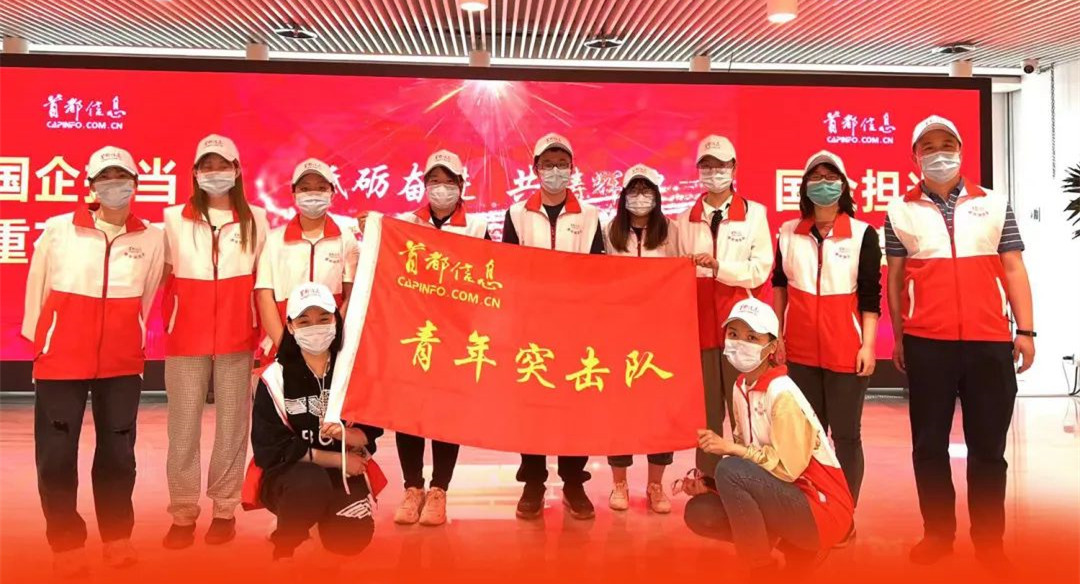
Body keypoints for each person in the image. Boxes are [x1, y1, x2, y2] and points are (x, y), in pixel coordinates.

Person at [884, 115, 1035, 568]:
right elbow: (895, 279)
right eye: (928, 146)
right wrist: (900, 336)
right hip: (928, 343)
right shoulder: (900, 210)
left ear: (962, 150)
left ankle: (989, 542)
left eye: (946, 144)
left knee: (988, 449)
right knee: (928, 446)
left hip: (989, 341)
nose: (938, 153)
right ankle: (937, 534)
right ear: (915, 156)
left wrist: (1026, 331)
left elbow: (1013, 268)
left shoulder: (994, 204)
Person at [21, 146, 165, 576]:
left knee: (119, 453)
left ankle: (117, 538)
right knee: (56, 455)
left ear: (135, 183)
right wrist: (42, 341)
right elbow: (37, 287)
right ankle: (65, 542)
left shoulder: (151, 237)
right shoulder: (59, 229)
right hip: (60, 359)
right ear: (91, 186)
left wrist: (131, 333)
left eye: (122, 176)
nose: (114, 184)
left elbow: (148, 293)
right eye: (105, 177)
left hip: (121, 363)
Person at [683, 299, 854, 574]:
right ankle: (795, 548)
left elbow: (788, 469)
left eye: (752, 337)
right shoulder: (741, 386)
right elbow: (749, 472)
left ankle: (761, 568)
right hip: (784, 497)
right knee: (700, 512)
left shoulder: (781, 393)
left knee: (729, 467)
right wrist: (709, 485)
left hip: (820, 508)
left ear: (772, 346)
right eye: (734, 334)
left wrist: (732, 450)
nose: (740, 343)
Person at [161, 134, 269, 549]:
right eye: (206, 166)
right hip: (185, 338)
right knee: (182, 428)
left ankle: (224, 509)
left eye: (222, 165)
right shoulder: (173, 219)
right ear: (194, 173)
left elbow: (264, 278)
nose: (215, 173)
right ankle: (183, 512)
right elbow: (162, 275)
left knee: (232, 426)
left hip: (238, 336)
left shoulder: (256, 219)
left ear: (237, 170)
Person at [771, 150, 881, 521]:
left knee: (846, 436)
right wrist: (778, 335)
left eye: (830, 177)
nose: (823, 184)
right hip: (799, 352)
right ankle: (812, 509)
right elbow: (780, 287)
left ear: (844, 186)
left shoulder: (863, 234)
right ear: (804, 187)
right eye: (815, 177)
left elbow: (870, 296)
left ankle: (844, 513)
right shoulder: (789, 233)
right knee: (807, 435)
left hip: (846, 351)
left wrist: (868, 345)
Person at [502, 133, 604, 520]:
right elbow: (508, 269)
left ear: (573, 169)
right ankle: (533, 482)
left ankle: (574, 482)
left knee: (574, 405)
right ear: (535, 169)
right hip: (530, 326)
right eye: (548, 164)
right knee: (532, 404)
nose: (555, 171)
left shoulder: (590, 215)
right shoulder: (516, 214)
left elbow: (598, 270)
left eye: (562, 164)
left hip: (576, 327)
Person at [247, 282, 383, 560]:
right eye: (304, 321)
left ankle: (319, 518)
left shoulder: (351, 372)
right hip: (293, 475)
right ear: (290, 326)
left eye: (323, 319)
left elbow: (370, 430)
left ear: (335, 320)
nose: (315, 328)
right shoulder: (275, 378)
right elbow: (270, 449)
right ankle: (286, 541)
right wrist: (335, 459)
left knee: (350, 538)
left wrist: (346, 435)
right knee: (311, 484)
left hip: (345, 470)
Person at [393, 149, 489, 527]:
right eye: (434, 181)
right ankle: (412, 487)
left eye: (449, 181)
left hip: (457, 335)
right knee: (409, 413)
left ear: (462, 186)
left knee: (446, 413)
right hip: (413, 333)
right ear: (424, 184)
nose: (442, 188)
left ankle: (439, 490)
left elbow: (490, 277)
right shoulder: (405, 224)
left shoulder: (478, 226)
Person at [675, 135, 773, 480]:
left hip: (742, 327)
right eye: (706, 165)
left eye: (721, 165)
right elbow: (674, 272)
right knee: (707, 411)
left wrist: (720, 268)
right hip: (699, 325)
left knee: (745, 406)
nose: (713, 171)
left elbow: (761, 268)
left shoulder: (755, 214)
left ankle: (749, 480)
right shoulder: (682, 220)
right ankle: (707, 480)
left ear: (734, 168)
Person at [602, 163, 678, 514]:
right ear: (623, 196)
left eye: (646, 190)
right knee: (620, 410)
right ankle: (619, 483)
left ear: (657, 196)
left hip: (662, 334)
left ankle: (655, 485)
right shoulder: (609, 231)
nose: (640, 196)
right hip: (619, 333)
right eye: (633, 190)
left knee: (660, 410)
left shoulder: (672, 231)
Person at [256, 158, 359, 362]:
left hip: (332, 347)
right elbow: (264, 295)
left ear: (332, 193)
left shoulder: (346, 238)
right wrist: (284, 345)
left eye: (321, 188)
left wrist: (334, 339)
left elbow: (350, 296)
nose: (313, 194)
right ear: (294, 193)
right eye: (305, 188)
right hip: (284, 341)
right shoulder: (276, 239)